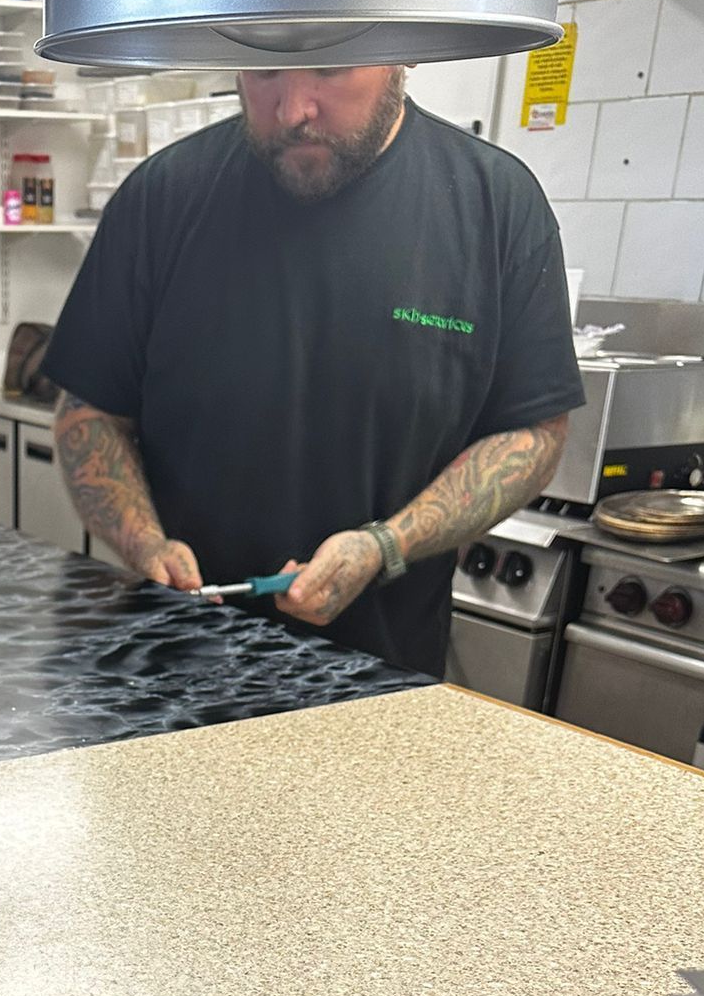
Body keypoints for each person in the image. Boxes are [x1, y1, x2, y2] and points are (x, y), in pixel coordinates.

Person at [46, 65, 586, 676]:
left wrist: (387, 545)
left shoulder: (494, 205)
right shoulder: (163, 196)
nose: (293, 107)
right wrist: (143, 542)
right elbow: (88, 413)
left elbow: (532, 433)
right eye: (266, 71)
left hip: (377, 680)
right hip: (170, 666)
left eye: (330, 70)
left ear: (399, 57)